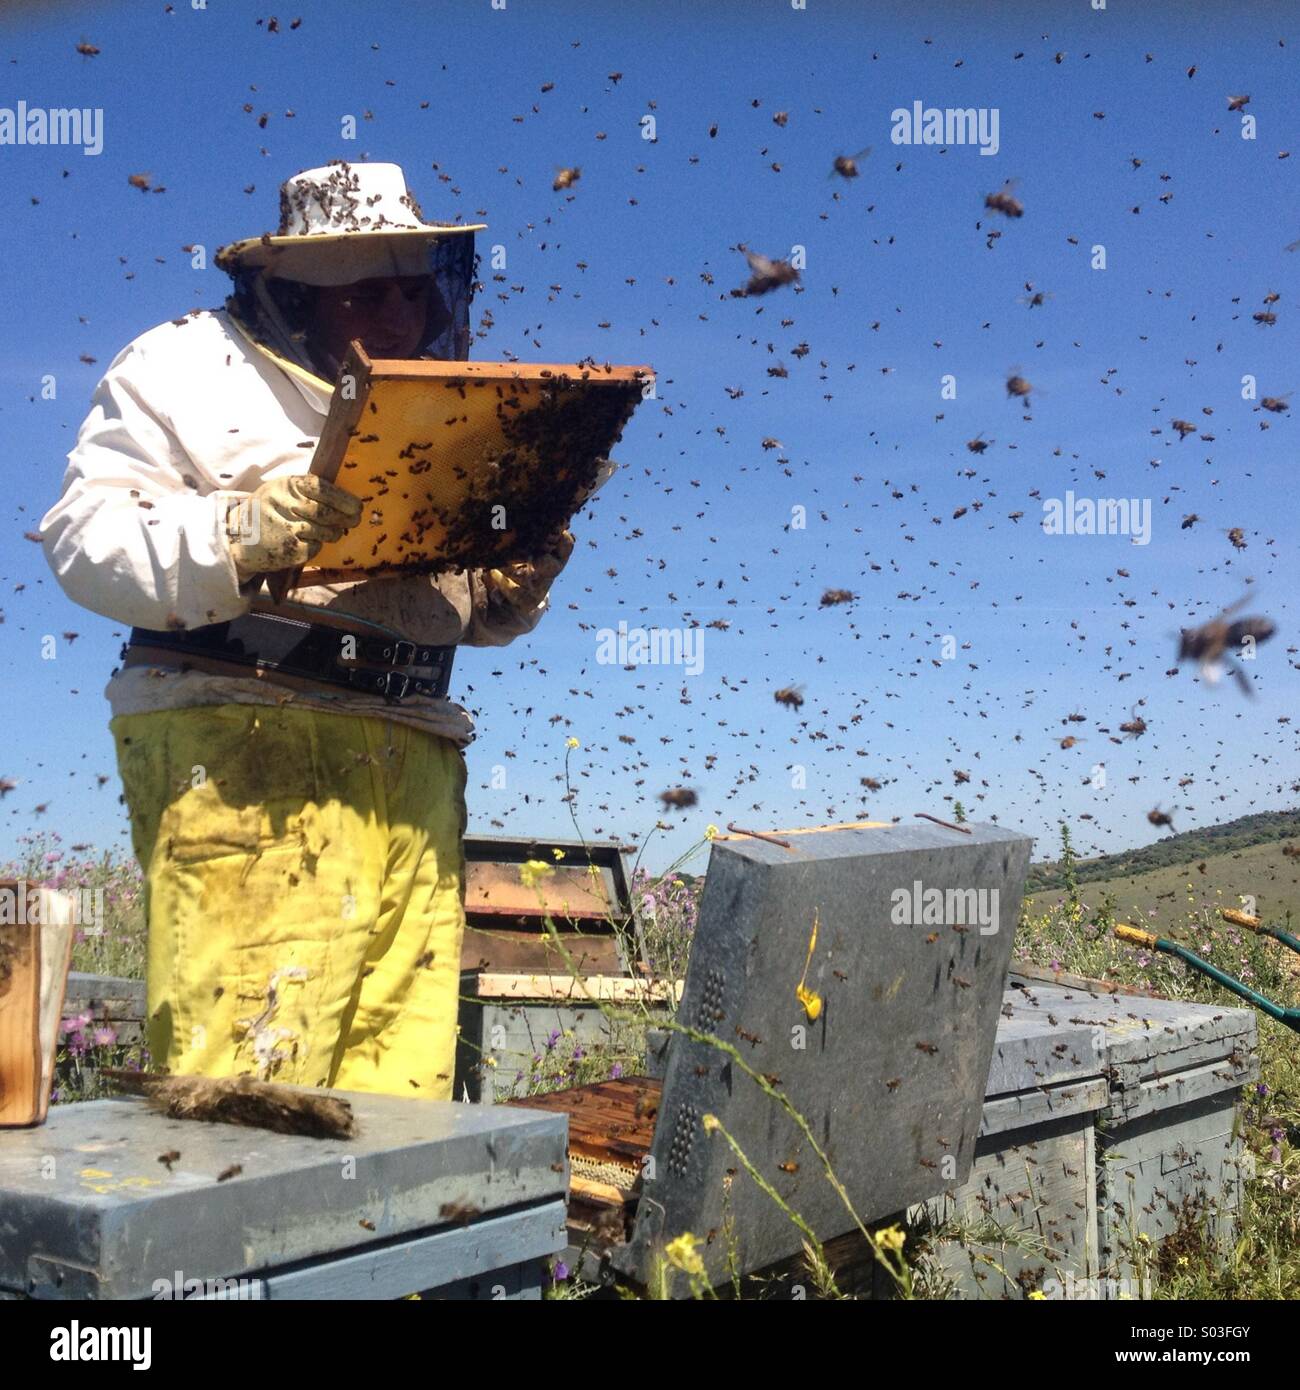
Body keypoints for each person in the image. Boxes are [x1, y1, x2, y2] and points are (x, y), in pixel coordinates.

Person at [40, 160, 581, 1099]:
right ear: (291, 290)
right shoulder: (180, 365)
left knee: (399, 1096)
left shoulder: (433, 401)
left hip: (412, 754)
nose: (404, 319)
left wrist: (506, 588)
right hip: (244, 748)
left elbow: (431, 601)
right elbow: (85, 542)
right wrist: (235, 531)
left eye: (414, 291)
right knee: (247, 1093)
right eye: (368, 292)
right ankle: (216, 1252)